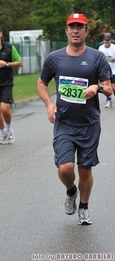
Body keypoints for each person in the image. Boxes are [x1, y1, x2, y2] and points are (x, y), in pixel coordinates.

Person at [37, 13, 112, 225]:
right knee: (65, 168)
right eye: (72, 27)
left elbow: (110, 88)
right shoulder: (54, 58)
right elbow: (42, 83)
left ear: (87, 30)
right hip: (64, 123)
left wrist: (97, 87)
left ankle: (84, 207)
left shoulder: (97, 57)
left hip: (89, 123)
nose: (75, 31)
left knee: (85, 169)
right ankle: (71, 191)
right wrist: (50, 104)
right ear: (66, 30)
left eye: (80, 27)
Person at [97, 33, 115, 108]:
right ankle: (109, 100)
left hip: (113, 70)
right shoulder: (100, 48)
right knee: (105, 87)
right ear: (103, 40)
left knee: (113, 87)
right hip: (104, 71)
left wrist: (113, 59)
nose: (107, 42)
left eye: (108, 40)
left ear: (111, 40)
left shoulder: (114, 47)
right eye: (105, 40)